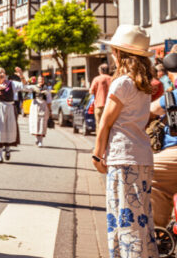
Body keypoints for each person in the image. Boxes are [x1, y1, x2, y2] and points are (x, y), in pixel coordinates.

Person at [92, 25, 158, 258]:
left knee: (124, 218)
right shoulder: (144, 85)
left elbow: (106, 123)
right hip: (142, 156)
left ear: (120, 54)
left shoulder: (122, 83)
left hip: (123, 158)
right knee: (141, 219)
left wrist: (97, 154)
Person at [150, 52, 177, 229]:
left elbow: (150, 111)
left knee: (149, 177)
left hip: (173, 155)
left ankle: (157, 232)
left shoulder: (171, 96)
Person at [26, 79, 52, 147]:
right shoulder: (33, 87)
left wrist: (50, 110)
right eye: (40, 80)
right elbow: (25, 87)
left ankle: (40, 141)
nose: (41, 81)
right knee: (35, 122)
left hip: (43, 105)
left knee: (42, 123)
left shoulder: (47, 89)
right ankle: (37, 138)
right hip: (35, 106)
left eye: (42, 80)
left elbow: (49, 100)